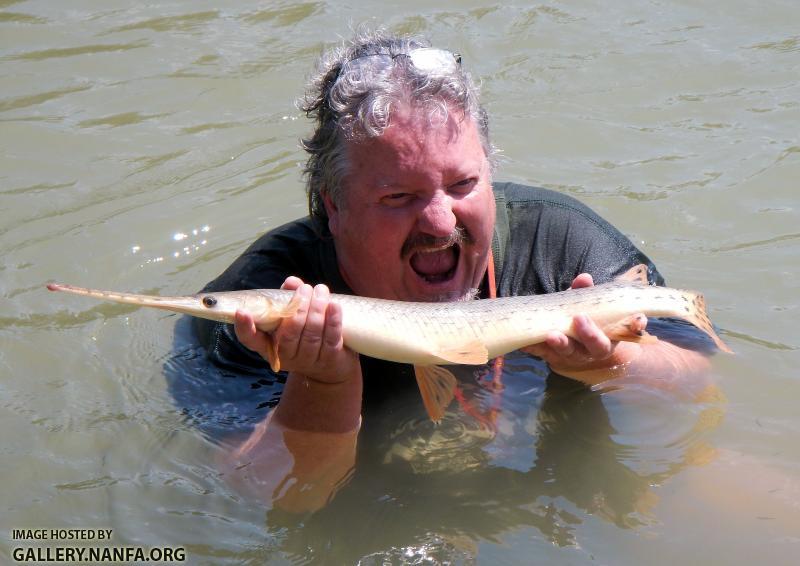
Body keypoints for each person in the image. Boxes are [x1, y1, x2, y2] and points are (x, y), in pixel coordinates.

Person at [194, 29, 717, 512]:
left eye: (464, 185)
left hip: (560, 491)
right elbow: (274, 495)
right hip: (382, 509)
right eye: (399, 196)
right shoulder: (256, 302)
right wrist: (322, 386)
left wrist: (610, 363)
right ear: (333, 205)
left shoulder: (560, 240)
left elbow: (698, 382)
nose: (441, 222)